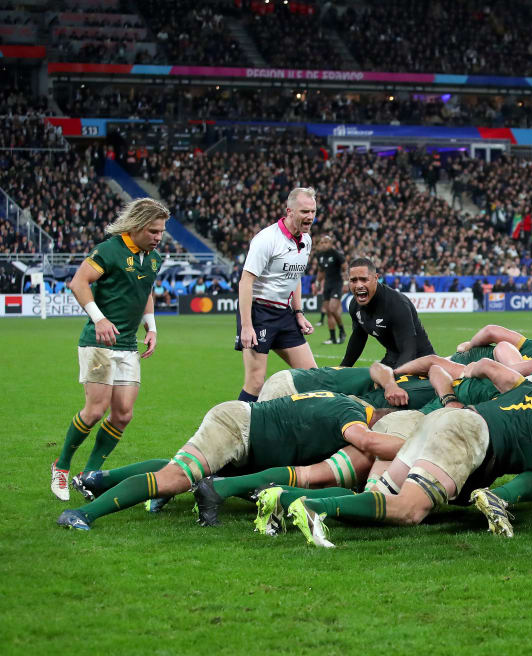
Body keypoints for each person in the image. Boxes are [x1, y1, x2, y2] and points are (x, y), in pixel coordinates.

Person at [264, 374, 532, 547]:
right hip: (466, 435)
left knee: (386, 495)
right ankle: (312, 506)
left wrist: (466, 374)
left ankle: (278, 498)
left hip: (442, 419)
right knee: (409, 511)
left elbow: (491, 365)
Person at [58, 391, 406, 531]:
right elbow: (369, 441)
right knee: (177, 476)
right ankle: (81, 514)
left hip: (249, 438)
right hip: (239, 428)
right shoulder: (355, 414)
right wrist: (411, 448)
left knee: (179, 469)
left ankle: (98, 480)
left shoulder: (345, 402)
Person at [51, 197, 170, 501]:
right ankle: (61, 466)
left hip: (128, 344)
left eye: (162, 232)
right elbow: (78, 283)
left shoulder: (153, 258)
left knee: (123, 415)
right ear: (139, 226)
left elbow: (146, 291)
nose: (159, 237)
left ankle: (89, 476)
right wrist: (100, 319)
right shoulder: (109, 250)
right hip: (99, 341)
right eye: (154, 231)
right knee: (94, 411)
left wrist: (152, 327)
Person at [235, 187, 318, 403]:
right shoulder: (266, 239)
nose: (309, 217)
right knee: (255, 381)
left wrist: (298, 313)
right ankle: (237, 430)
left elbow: (295, 278)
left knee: (313, 377)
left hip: (284, 313)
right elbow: (246, 282)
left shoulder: (306, 240)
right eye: (304, 212)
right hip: (259, 312)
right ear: (290, 211)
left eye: (312, 212)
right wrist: (246, 326)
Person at [339, 257, 435, 368]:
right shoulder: (355, 306)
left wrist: (393, 379)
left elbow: (409, 349)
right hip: (392, 358)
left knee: (381, 383)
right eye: (353, 280)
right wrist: (343, 368)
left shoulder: (396, 304)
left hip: (420, 361)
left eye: (364, 279)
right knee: (369, 382)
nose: (359, 285)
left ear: (376, 278)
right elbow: (358, 338)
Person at [313, 235, 346, 345]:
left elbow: (345, 267)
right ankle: (332, 338)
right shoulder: (319, 255)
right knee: (328, 312)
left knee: (332, 309)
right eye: (322, 243)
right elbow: (321, 271)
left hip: (337, 284)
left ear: (331, 244)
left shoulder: (336, 254)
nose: (323, 244)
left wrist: (346, 283)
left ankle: (342, 330)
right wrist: (317, 283)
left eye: (326, 242)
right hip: (327, 285)